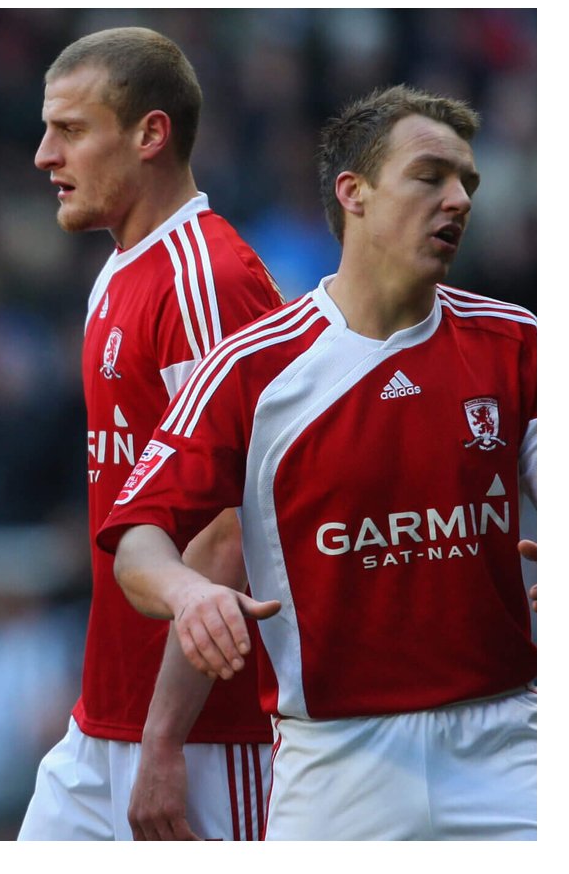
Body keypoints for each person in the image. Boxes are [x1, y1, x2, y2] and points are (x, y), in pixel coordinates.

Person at [102, 84, 536, 840]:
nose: (460, 199)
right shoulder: (252, 367)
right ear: (353, 193)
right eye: (430, 176)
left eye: (467, 181)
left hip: (508, 746)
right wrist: (188, 593)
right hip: (333, 762)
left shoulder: (517, 343)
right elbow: (137, 540)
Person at [17, 27, 284, 841]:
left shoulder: (207, 279)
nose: (44, 156)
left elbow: (229, 523)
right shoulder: (122, 268)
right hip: (107, 720)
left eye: (70, 130)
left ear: (150, 134)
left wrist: (163, 737)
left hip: (207, 737)